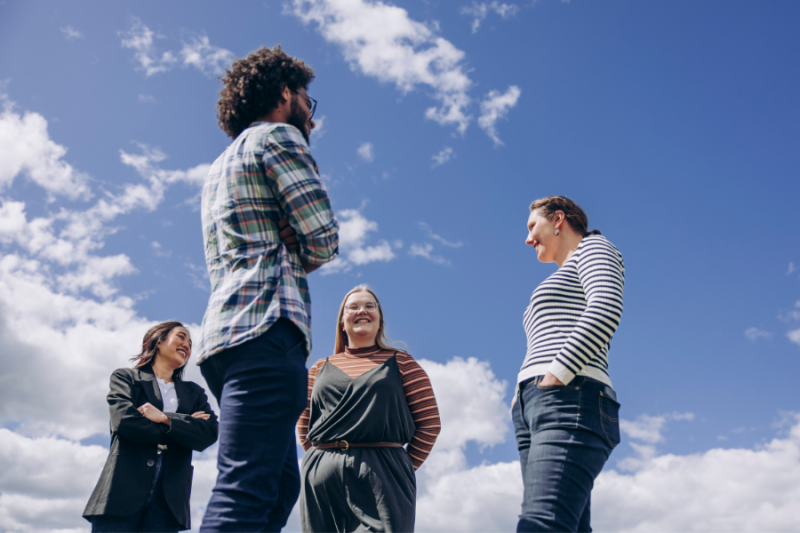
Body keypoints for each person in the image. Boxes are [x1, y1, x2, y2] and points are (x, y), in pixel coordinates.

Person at [196, 45, 339, 532]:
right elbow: (322, 237)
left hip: (223, 338)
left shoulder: (218, 167)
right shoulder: (279, 137)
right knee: (245, 487)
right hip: (266, 327)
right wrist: (297, 237)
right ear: (284, 92)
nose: (309, 114)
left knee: (279, 487)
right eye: (305, 98)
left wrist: (287, 233)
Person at [513, 196, 624, 532]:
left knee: (540, 525)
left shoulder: (594, 247)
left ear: (558, 219)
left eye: (533, 226)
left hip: (568, 396)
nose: (528, 238)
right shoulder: (560, 275)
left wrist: (555, 376)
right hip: (535, 406)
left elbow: (605, 308)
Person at [297, 285, 441, 532]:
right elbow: (304, 421)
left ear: (379, 320)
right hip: (321, 477)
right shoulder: (319, 368)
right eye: (352, 307)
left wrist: (399, 467)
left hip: (382, 474)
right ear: (343, 322)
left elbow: (430, 423)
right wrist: (320, 460)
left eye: (369, 305)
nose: (361, 310)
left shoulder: (403, 363)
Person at [83, 321, 219, 532]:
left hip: (169, 500)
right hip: (120, 492)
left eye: (190, 344)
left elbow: (209, 433)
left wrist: (165, 418)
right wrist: (184, 428)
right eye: (181, 337)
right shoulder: (126, 378)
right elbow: (124, 422)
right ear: (158, 341)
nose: (187, 345)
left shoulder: (194, 392)